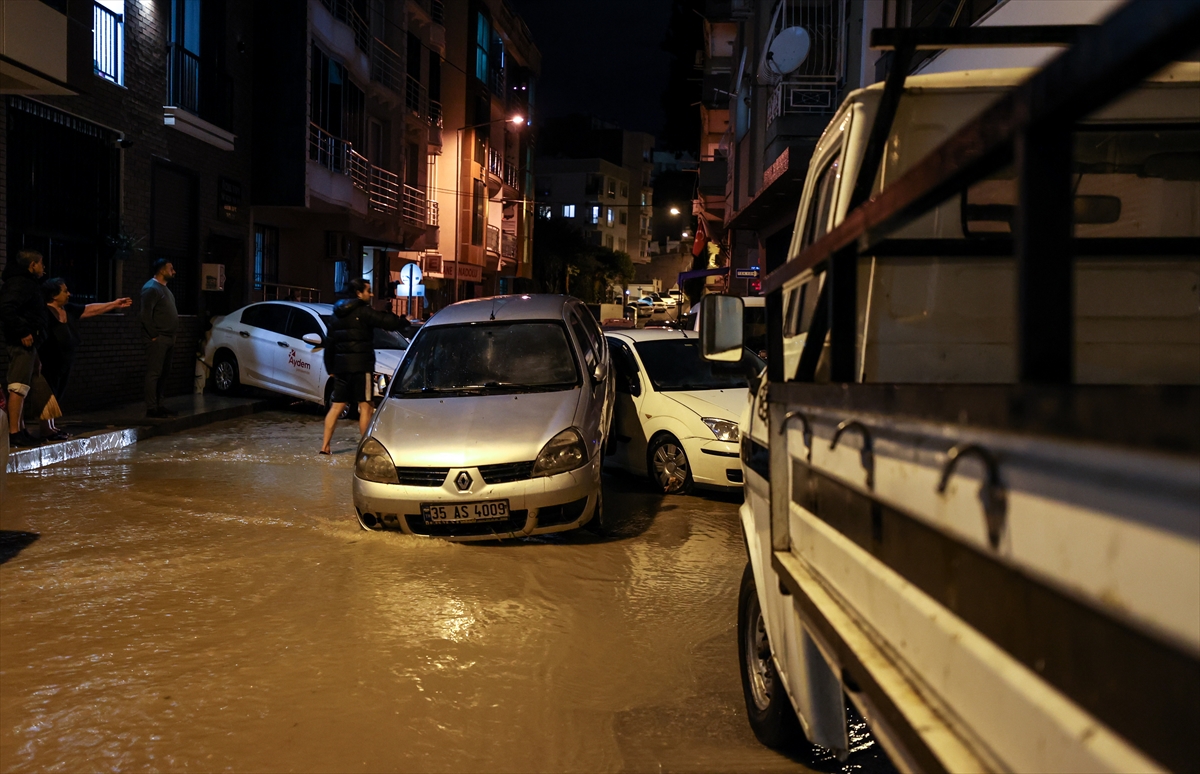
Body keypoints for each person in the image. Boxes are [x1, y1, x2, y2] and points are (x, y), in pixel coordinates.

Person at [320, 278, 408, 454]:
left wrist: (331, 368)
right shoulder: (364, 311)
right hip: (362, 367)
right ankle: (365, 450)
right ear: (359, 293)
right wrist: (403, 321)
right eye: (369, 291)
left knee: (337, 406)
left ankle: (325, 447)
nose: (372, 294)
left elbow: (329, 344)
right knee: (365, 406)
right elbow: (386, 322)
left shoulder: (336, 314)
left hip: (340, 368)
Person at [38, 277, 132, 439]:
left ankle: (52, 427)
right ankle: (46, 429)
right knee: (48, 393)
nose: (69, 294)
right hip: (49, 360)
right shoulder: (45, 313)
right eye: (65, 291)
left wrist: (114, 304)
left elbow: (90, 309)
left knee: (57, 393)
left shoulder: (68, 309)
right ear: (54, 295)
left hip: (65, 360)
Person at [0, 250, 49, 448]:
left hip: (29, 343)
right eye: (41, 264)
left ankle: (20, 429)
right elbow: (6, 308)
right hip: (22, 342)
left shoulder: (24, 283)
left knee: (22, 385)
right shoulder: (20, 283)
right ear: (32, 265)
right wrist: (23, 332)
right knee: (18, 386)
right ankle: (14, 432)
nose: (43, 268)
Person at [140, 259, 179, 418]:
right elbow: (145, 315)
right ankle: (151, 408)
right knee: (154, 373)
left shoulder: (165, 290)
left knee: (164, 372)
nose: (174, 271)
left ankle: (159, 404)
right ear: (162, 270)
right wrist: (154, 335)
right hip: (159, 338)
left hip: (169, 337)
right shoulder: (151, 289)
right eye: (171, 268)